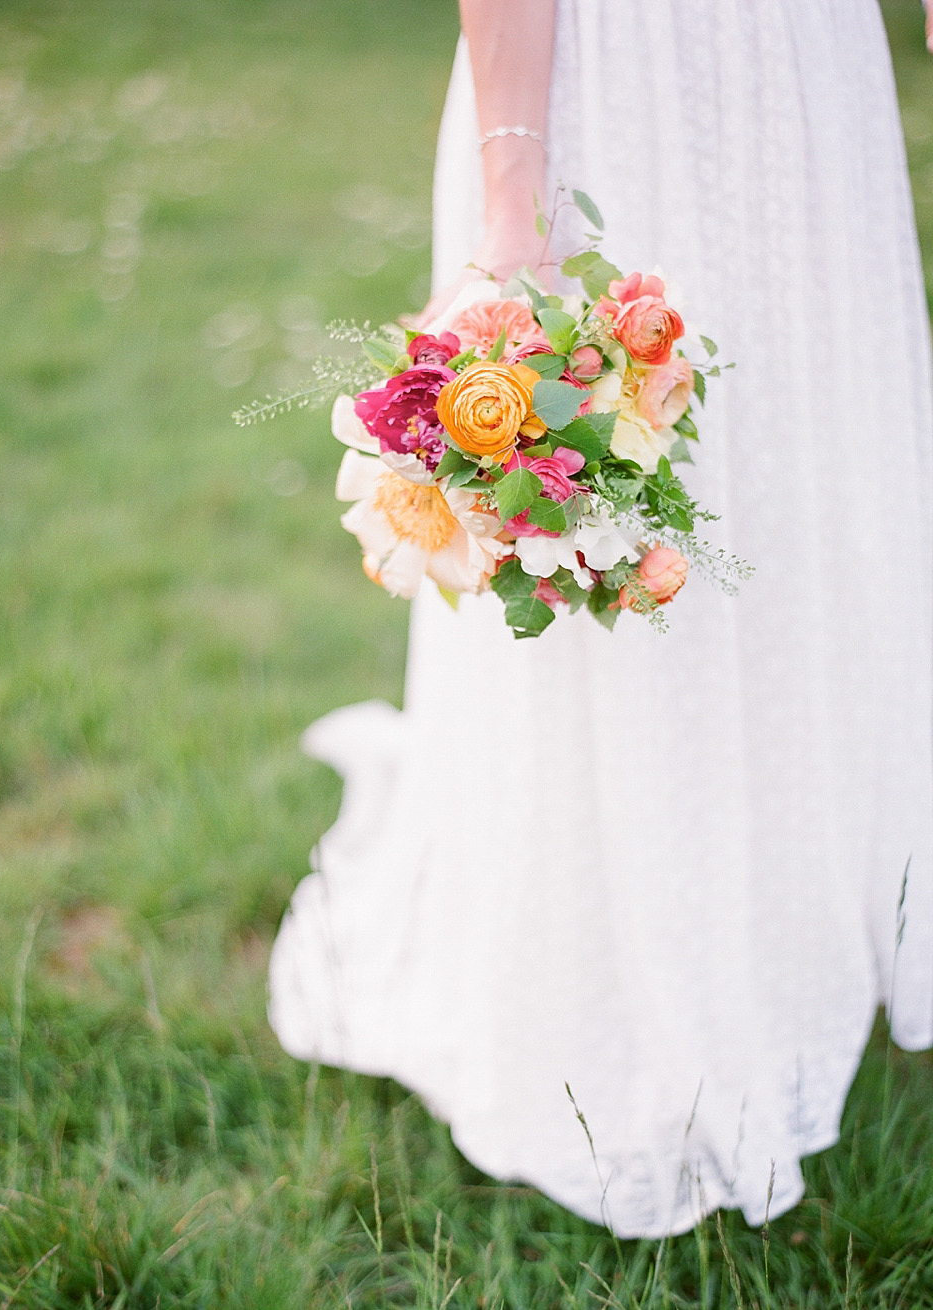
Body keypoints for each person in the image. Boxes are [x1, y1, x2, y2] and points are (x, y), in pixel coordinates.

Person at [269, 0, 933, 1237]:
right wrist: (513, 195)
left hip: (804, 84)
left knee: (810, 490)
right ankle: (617, 978)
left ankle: (808, 927)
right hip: (616, 83)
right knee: (618, 520)